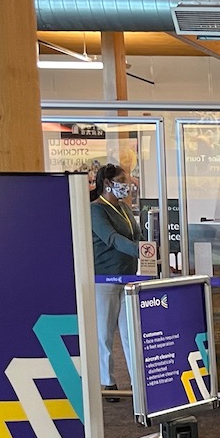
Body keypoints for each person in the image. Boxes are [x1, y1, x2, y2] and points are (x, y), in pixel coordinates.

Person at [90, 164, 143, 396]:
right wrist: (140, 251)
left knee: (131, 333)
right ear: (109, 183)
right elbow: (111, 239)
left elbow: (137, 234)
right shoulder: (96, 210)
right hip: (105, 279)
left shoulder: (124, 208)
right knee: (104, 333)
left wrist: (148, 249)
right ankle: (107, 381)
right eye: (123, 179)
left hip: (128, 278)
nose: (128, 183)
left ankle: (137, 382)